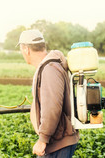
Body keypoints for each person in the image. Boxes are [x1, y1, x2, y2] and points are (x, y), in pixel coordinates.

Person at [17, 30, 79, 158]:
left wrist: (42, 139)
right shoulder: (50, 66)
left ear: (26, 49)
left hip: (57, 143)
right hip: (57, 142)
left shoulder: (49, 68)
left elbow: (52, 107)